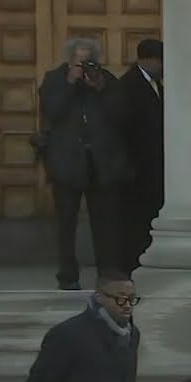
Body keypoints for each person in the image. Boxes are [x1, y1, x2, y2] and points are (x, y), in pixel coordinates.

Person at [37, 38, 127, 291]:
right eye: (78, 62)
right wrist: (69, 83)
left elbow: (121, 114)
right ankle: (67, 273)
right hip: (67, 162)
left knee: (105, 222)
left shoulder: (105, 80)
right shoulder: (55, 79)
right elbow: (51, 111)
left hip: (101, 163)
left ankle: (108, 270)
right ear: (69, 60)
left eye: (88, 61)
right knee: (66, 222)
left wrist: (99, 86)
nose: (83, 67)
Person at [118, 38, 165, 274]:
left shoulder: (158, 85)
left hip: (154, 168)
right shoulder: (129, 86)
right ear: (149, 60)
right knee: (135, 222)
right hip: (137, 168)